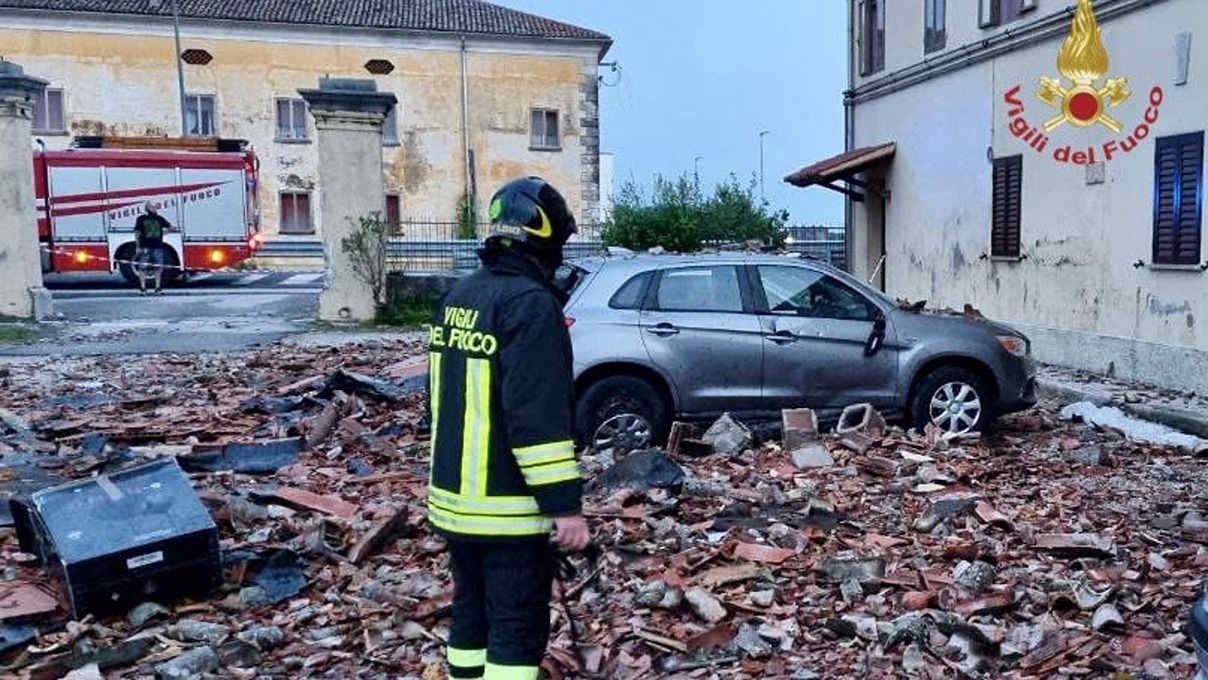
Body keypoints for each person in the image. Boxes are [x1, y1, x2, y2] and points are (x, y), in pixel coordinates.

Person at [427, 177, 591, 680]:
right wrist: (565, 508)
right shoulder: (530, 305)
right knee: (516, 632)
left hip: (454, 504)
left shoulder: (460, 296)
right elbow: (537, 418)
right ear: (547, 240)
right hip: (508, 510)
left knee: (470, 618)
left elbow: (438, 403)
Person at [133, 202, 171, 294]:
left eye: (154, 207)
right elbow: (137, 232)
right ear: (147, 208)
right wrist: (138, 246)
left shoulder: (159, 218)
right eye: (151, 206)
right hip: (145, 247)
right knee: (142, 267)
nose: (154, 208)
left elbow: (170, 227)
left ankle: (157, 288)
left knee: (158, 268)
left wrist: (164, 233)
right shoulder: (141, 219)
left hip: (158, 247)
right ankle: (143, 288)